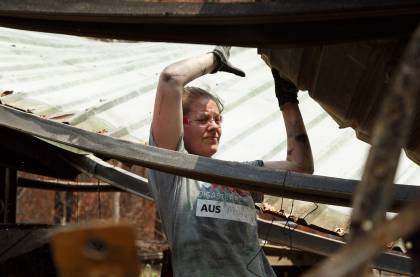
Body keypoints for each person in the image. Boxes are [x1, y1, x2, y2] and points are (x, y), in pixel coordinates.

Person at [148, 46, 314, 277]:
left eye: (218, 119)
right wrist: (217, 59)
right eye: (203, 119)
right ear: (181, 123)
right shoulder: (174, 173)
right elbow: (170, 78)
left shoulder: (239, 173)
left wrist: (288, 100)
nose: (214, 126)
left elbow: (300, 167)